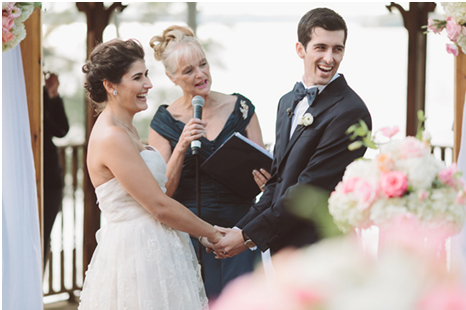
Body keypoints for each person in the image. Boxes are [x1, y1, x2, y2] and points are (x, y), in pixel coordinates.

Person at [212, 8, 372, 257]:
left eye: (337, 49)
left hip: (323, 248)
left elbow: (311, 187)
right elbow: (277, 181)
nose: (330, 58)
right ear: (300, 49)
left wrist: (247, 237)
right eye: (321, 47)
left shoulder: (350, 112)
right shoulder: (287, 102)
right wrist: (239, 228)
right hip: (283, 247)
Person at [78, 38, 223, 309]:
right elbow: (158, 205)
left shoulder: (126, 128)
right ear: (111, 86)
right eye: (137, 77)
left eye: (146, 75)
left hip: (158, 253)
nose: (148, 84)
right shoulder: (111, 135)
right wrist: (212, 233)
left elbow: (159, 194)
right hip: (136, 260)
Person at [148, 25, 267, 297]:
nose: (200, 74)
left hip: (240, 230)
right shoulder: (163, 122)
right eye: (188, 70)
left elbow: (264, 170)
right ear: (171, 77)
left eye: (203, 64)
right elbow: (163, 192)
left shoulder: (241, 108)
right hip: (190, 234)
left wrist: (268, 180)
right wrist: (180, 147)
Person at [43, 73, 69, 267]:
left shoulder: (43, 96)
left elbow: (61, 130)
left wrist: (52, 94)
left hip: (50, 179)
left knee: (44, 235)